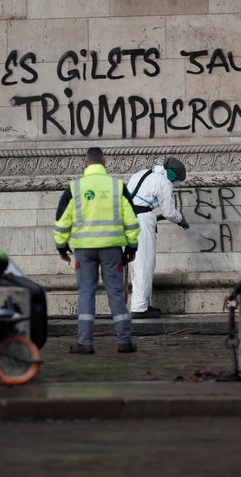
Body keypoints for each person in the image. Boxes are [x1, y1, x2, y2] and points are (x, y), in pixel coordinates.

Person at [54, 147, 140, 354]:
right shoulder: (117, 186)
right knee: (116, 293)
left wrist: (62, 246)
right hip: (112, 249)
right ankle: (125, 341)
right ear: (104, 163)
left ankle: (85, 342)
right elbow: (132, 220)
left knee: (86, 293)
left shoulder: (74, 188)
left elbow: (61, 221)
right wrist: (131, 247)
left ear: (85, 164)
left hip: (84, 251)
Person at [126, 156, 189, 318]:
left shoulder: (140, 174)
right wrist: (181, 220)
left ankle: (141, 303)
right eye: (178, 182)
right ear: (174, 176)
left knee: (134, 263)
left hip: (126, 219)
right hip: (141, 222)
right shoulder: (164, 182)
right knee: (144, 262)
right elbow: (169, 212)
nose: (175, 185)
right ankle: (140, 308)